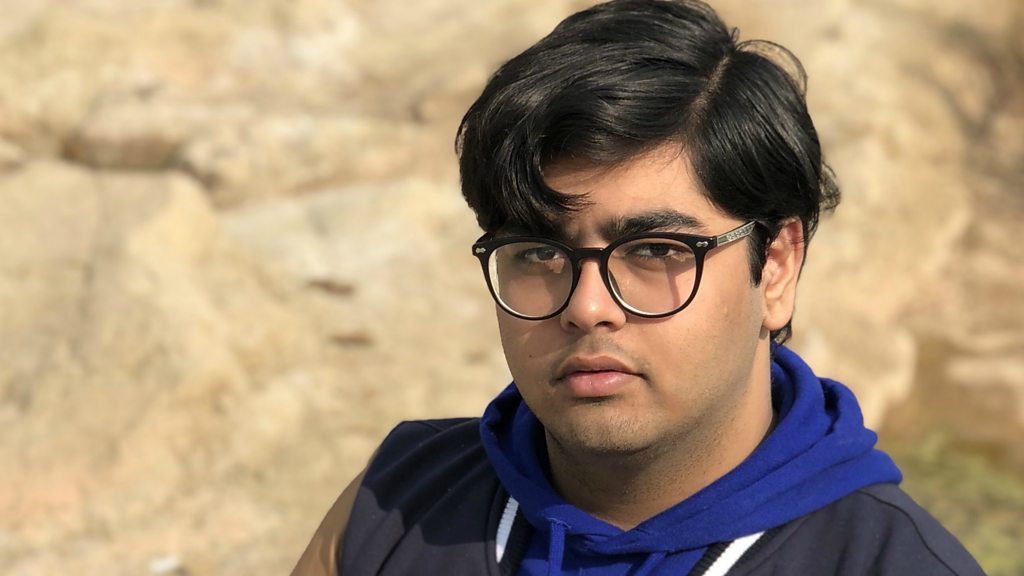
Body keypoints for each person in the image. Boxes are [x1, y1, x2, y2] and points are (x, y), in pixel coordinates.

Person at [292, 0, 985, 574]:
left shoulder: (887, 562)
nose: (588, 307)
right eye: (537, 253)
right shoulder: (395, 507)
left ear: (775, 266)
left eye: (655, 251)